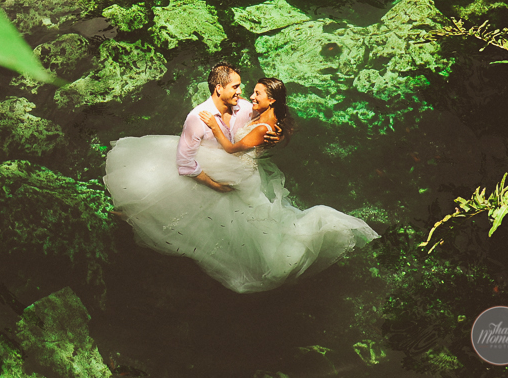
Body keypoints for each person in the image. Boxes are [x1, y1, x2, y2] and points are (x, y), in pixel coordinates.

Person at [103, 73, 379, 293]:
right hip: (238, 168)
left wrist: (213, 127)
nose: (250, 95)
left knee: (199, 194)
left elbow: (233, 149)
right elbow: (272, 127)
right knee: (198, 194)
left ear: (270, 100)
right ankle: (140, 215)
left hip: (238, 169)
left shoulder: (262, 126)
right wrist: (278, 136)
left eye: (256, 92)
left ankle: (140, 216)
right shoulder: (262, 117)